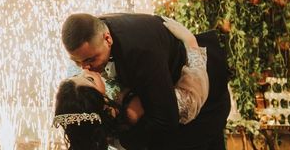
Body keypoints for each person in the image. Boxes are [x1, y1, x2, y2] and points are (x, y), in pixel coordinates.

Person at [59, 13, 230, 150]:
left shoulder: (138, 51)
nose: (84, 68)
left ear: (107, 39)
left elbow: (177, 111)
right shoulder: (128, 110)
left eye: (90, 59)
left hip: (206, 111)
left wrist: (191, 46)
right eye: (77, 62)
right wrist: (191, 43)